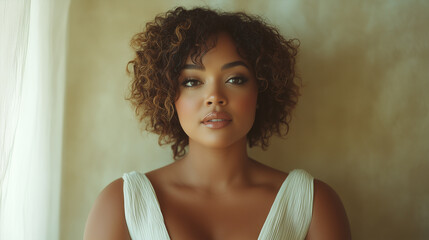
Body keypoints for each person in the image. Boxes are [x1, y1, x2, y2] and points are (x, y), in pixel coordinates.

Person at [84, 7, 351, 240]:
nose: (215, 98)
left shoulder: (314, 205)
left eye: (235, 79)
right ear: (167, 96)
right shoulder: (120, 205)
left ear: (261, 91)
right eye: (192, 82)